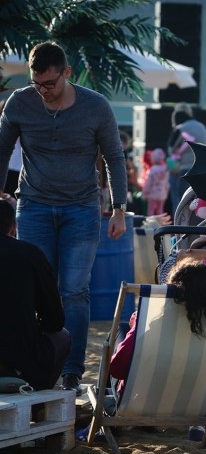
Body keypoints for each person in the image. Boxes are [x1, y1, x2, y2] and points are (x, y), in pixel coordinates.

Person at [0, 41, 128, 395]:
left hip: (81, 208)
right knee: (31, 286)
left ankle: (71, 370)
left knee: (74, 291)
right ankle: (32, 364)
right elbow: (2, 148)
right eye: (36, 84)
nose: (42, 92)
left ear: (66, 73)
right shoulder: (20, 103)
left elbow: (115, 158)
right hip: (35, 205)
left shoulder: (95, 106)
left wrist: (118, 209)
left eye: (50, 84)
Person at [110, 258, 206, 396]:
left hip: (140, 400)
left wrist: (137, 324)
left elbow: (117, 369)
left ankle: (104, 398)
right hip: (195, 404)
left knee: (120, 330)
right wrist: (203, 270)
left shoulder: (154, 326)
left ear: (170, 290)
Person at [0, 198, 70, 390]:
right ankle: (38, 399)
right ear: (13, 227)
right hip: (20, 363)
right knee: (62, 337)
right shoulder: (30, 254)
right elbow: (55, 321)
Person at [167, 102, 206, 215]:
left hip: (183, 169)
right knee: (196, 201)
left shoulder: (180, 128)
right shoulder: (202, 126)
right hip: (200, 169)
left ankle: (177, 224)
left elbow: (171, 150)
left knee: (180, 201)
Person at [142, 148, 170, 217]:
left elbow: (148, 182)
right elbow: (167, 183)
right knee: (160, 210)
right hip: (162, 193)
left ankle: (150, 223)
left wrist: (145, 192)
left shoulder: (152, 169)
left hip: (153, 193)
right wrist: (166, 192)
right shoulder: (165, 169)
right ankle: (160, 225)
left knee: (150, 209)